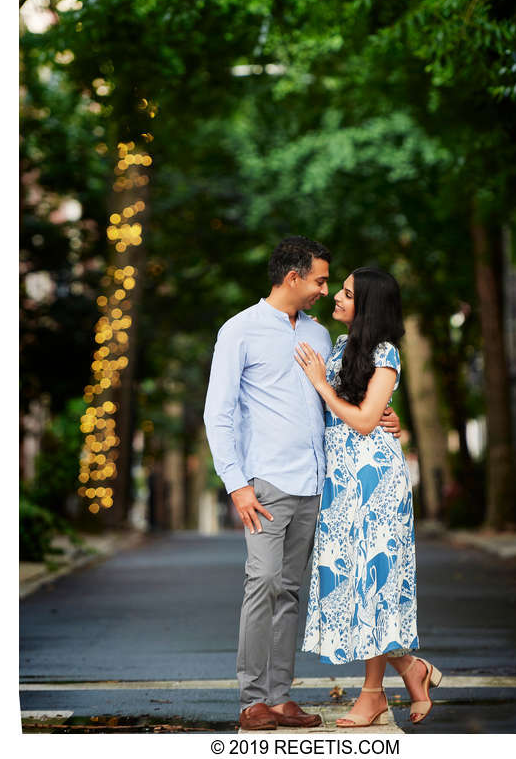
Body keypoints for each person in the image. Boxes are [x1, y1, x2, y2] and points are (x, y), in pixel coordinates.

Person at [203, 237, 401, 731]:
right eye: (319, 280)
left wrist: (386, 418)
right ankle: (253, 699)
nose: (325, 290)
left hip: (317, 483)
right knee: (263, 583)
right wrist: (236, 484)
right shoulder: (239, 331)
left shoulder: (320, 334)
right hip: (265, 483)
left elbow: (350, 393)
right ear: (292, 278)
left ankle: (281, 696)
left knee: (291, 590)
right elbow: (218, 413)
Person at [295, 267, 442, 728]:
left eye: (346, 293)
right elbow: (365, 410)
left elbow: (361, 422)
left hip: (376, 485)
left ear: (367, 307)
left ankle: (373, 693)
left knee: (372, 585)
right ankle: (412, 669)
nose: (336, 296)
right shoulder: (340, 348)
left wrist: (323, 385)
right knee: (354, 581)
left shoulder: (386, 352)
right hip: (341, 484)